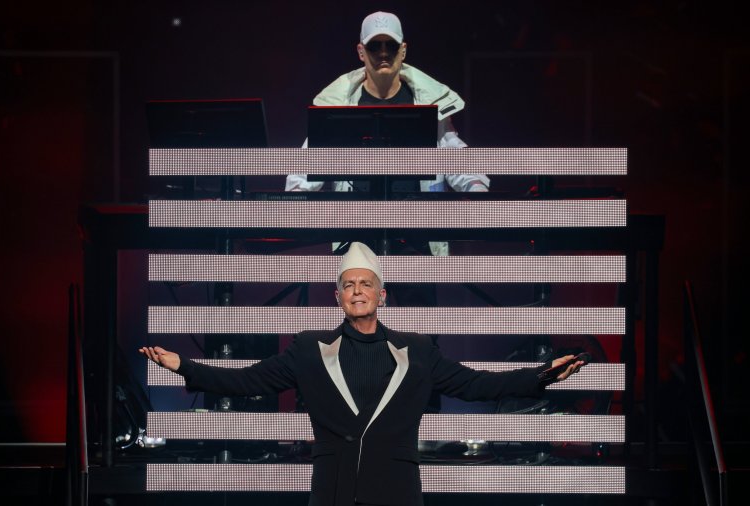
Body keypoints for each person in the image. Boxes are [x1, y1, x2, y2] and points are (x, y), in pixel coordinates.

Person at [140, 242, 584, 506]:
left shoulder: (417, 349)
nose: (357, 291)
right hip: (334, 492)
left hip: (397, 491)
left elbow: (478, 385)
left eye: (365, 283)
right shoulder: (309, 349)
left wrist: (542, 375)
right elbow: (245, 382)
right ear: (338, 296)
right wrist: (184, 365)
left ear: (382, 294)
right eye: (349, 284)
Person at [285, 12, 488, 257]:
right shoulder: (339, 105)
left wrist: (477, 191)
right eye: (375, 46)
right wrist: (293, 202)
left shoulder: (429, 102)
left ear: (403, 50)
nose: (383, 53)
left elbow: (455, 157)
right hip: (356, 241)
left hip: (416, 237)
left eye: (390, 45)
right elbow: (307, 166)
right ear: (361, 51)